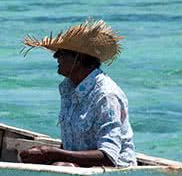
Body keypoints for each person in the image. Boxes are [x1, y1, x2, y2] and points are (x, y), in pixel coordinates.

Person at [18, 19, 136, 168]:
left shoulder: (106, 96)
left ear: (78, 59)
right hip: (80, 168)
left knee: (62, 166)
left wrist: (52, 154)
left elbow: (108, 157)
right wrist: (49, 156)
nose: (56, 57)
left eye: (62, 53)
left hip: (114, 175)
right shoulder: (68, 89)